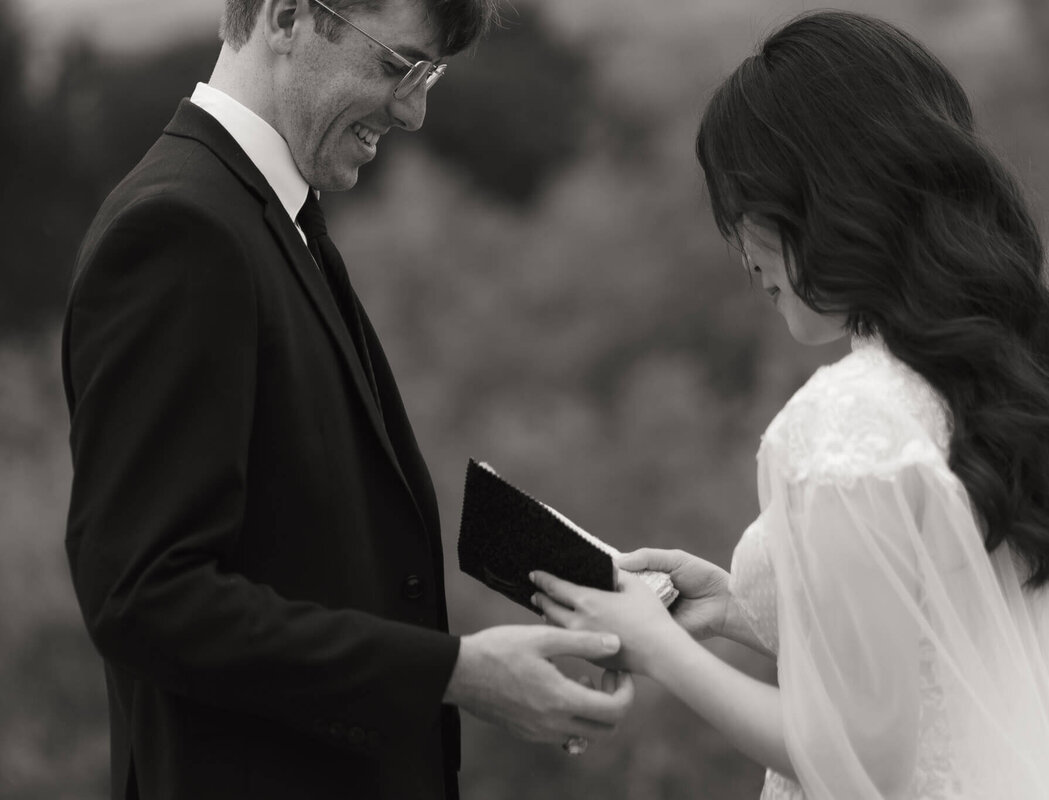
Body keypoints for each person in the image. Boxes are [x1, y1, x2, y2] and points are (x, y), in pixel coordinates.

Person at [529, 10, 1049, 800]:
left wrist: (660, 648)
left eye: (743, 208)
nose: (741, 252)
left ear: (818, 196)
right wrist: (733, 611)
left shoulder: (849, 418)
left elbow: (858, 760)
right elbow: (950, 642)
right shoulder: (992, 386)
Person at [60, 1, 633, 798]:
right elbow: (145, 597)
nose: (414, 111)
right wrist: (452, 673)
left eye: (429, 76)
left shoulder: (265, 216)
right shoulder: (179, 230)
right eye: (398, 65)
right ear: (288, 17)